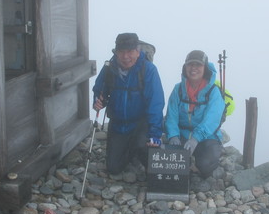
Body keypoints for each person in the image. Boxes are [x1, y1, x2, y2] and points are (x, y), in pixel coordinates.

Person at [92, 33, 165, 175]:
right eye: (121, 52)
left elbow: (155, 103)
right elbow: (99, 90)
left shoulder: (148, 70)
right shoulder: (109, 68)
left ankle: (139, 150)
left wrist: (155, 134)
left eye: (130, 51)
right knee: (114, 168)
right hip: (118, 124)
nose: (125, 57)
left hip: (140, 124)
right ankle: (131, 151)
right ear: (116, 52)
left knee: (151, 162)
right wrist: (98, 101)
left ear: (138, 52)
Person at [165, 50, 225, 178]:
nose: (193, 68)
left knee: (206, 164)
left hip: (207, 137)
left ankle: (202, 170)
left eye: (198, 65)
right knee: (173, 163)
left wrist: (196, 138)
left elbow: (212, 119)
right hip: (182, 135)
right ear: (185, 67)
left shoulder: (213, 92)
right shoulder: (178, 89)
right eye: (190, 64)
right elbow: (171, 115)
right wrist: (173, 136)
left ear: (205, 68)